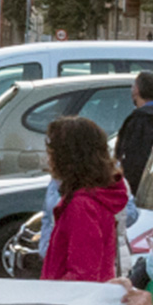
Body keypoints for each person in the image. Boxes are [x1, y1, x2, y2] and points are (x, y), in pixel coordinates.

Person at [40, 116, 131, 283]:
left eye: (52, 154)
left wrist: (51, 294)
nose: (48, 160)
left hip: (70, 303)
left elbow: (82, 275)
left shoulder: (81, 206)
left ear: (68, 159)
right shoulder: (94, 197)